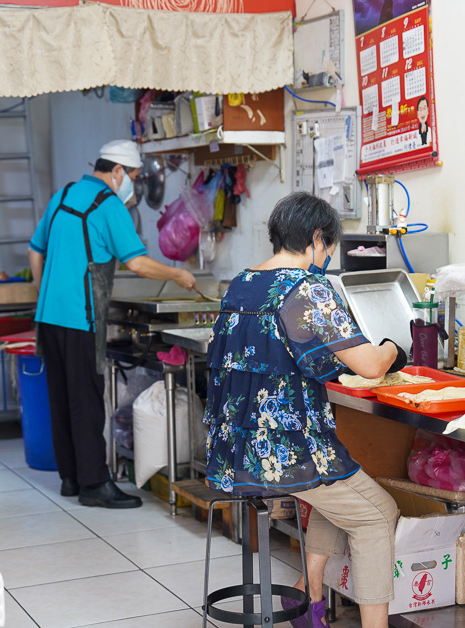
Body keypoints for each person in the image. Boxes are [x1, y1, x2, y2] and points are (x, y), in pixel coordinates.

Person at [204, 192, 405, 628]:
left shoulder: (240, 282)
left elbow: (282, 353)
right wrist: (394, 347)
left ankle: (309, 600)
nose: (328, 256)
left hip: (234, 449)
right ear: (317, 238)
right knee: (377, 515)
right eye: (329, 246)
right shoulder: (306, 288)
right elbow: (370, 366)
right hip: (286, 451)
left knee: (340, 492)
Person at [29, 139, 198, 509]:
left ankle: (71, 478)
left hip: (48, 317)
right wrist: (179, 274)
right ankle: (94, 484)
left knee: (60, 397)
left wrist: (47, 294)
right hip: (80, 317)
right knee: (86, 401)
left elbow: (34, 249)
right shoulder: (107, 205)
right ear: (118, 171)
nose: (133, 186)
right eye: (133, 178)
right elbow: (137, 263)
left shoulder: (63, 194)